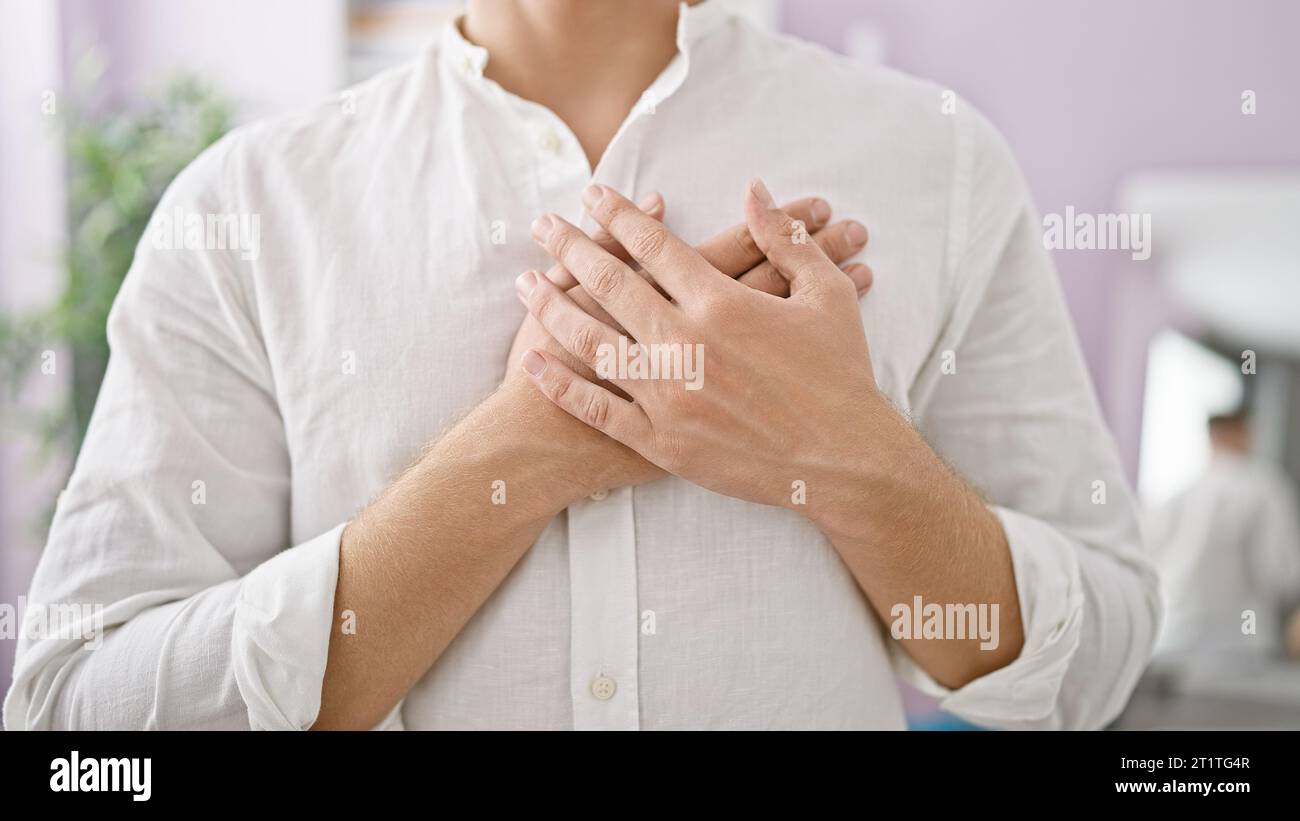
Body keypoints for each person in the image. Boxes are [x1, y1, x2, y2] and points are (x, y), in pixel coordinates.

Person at [4, 0, 1158, 731]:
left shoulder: (939, 161)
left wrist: (836, 450)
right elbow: (75, 730)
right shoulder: (250, 207)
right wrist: (528, 449)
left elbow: (1097, 657)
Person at [1148, 410, 1300, 674]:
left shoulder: (1177, 495)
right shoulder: (1264, 487)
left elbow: (1150, 566)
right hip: (1240, 648)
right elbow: (1279, 574)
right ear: (1244, 433)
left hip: (1176, 640)